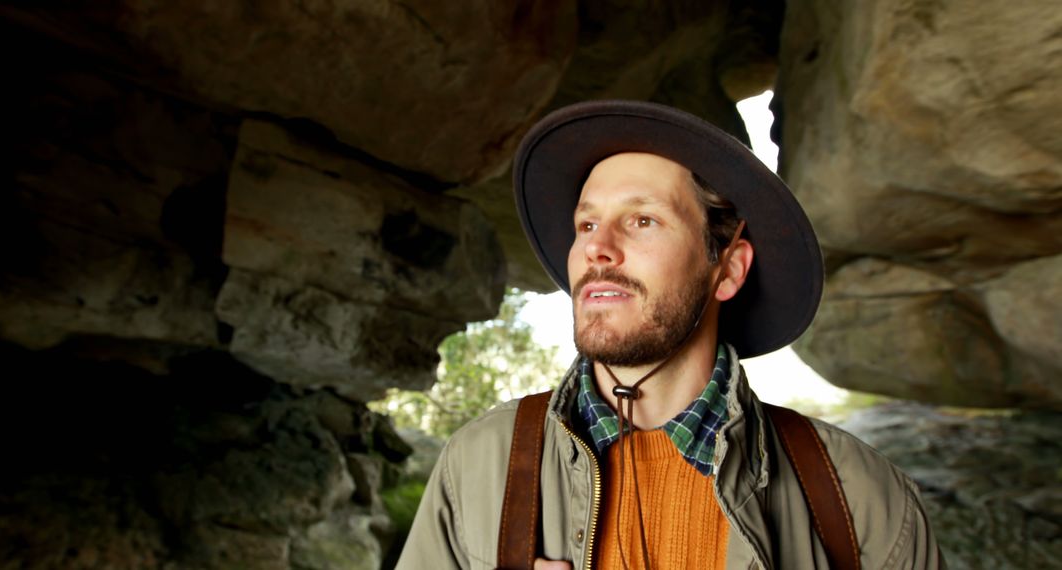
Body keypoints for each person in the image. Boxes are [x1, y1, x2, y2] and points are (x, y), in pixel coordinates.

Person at [397, 101, 945, 569]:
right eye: (586, 225)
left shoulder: (862, 498)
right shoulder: (476, 466)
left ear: (728, 269)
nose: (596, 247)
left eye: (642, 221)